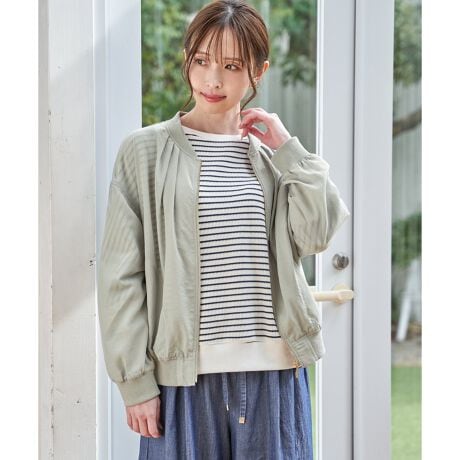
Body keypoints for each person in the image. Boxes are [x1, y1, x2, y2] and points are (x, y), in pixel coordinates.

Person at [97, 1, 351, 458]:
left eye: (232, 66)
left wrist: (290, 151)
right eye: (202, 61)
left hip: (274, 372)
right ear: (187, 60)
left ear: (258, 71)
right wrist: (135, 382)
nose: (213, 80)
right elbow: (120, 278)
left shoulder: (273, 158)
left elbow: (316, 235)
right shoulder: (144, 152)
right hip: (182, 380)